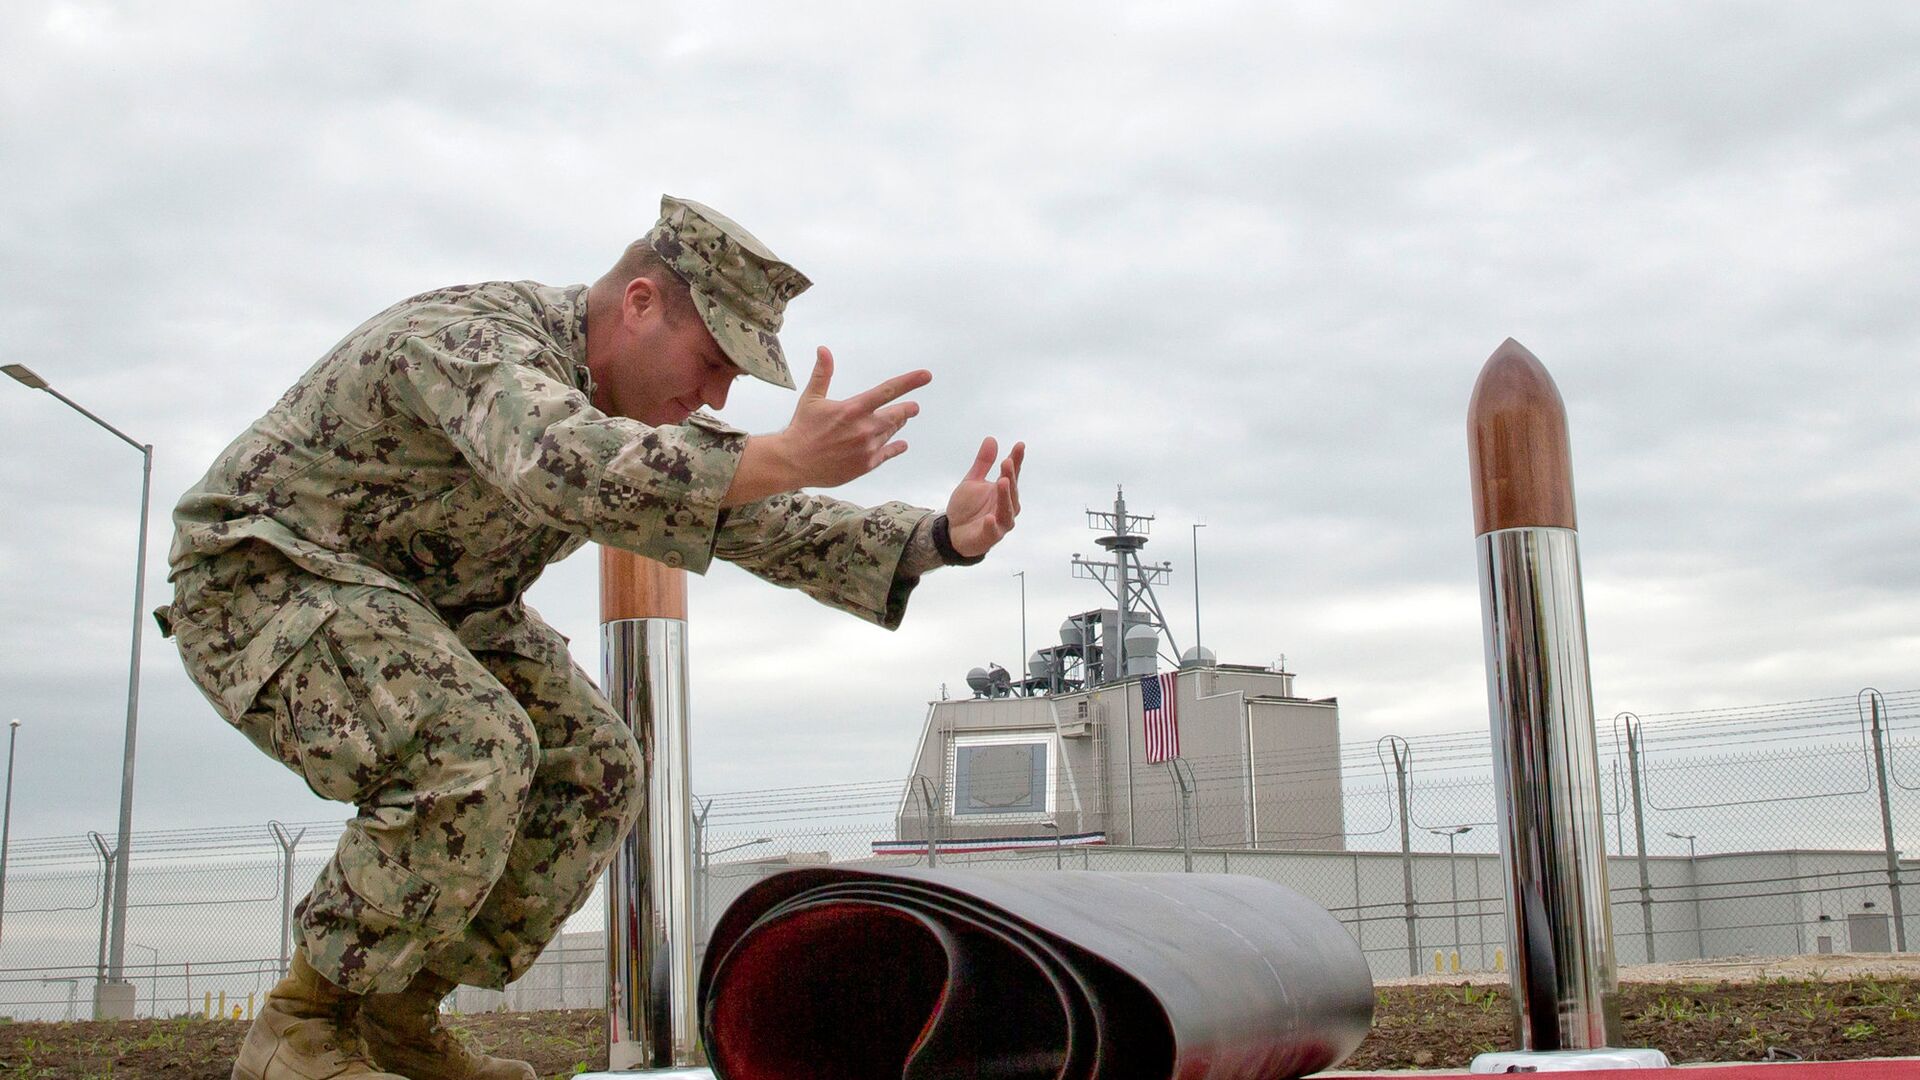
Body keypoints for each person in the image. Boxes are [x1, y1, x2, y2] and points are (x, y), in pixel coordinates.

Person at [158, 195, 1024, 1080]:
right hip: (264, 578)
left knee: (596, 770)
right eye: (712, 361)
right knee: (472, 746)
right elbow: (563, 462)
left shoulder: (633, 414)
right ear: (640, 304)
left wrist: (938, 539)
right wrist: (786, 451)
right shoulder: (474, 342)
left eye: (735, 380)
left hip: (429, 610)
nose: (717, 395)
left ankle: (394, 1014)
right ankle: (301, 1030)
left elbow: (753, 515)